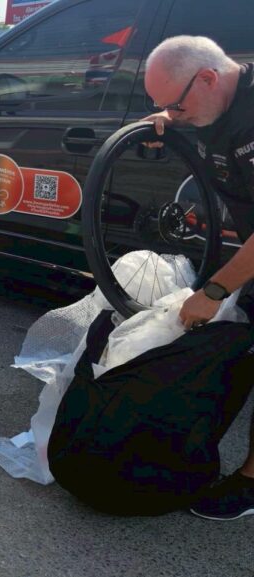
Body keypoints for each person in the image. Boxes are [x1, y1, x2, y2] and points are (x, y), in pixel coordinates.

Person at [144, 35, 254, 521]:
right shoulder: (212, 101)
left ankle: (251, 485)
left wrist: (215, 290)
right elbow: (189, 113)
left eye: (175, 102)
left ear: (208, 78)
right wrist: (169, 117)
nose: (173, 113)